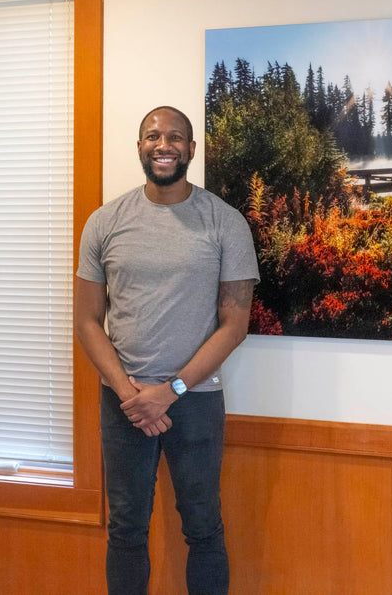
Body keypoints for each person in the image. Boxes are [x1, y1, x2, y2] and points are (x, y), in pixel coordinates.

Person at [74, 105, 259, 595]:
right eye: (153, 136)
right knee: (126, 529)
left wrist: (170, 390)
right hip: (124, 402)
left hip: (195, 400)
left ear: (191, 149)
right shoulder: (104, 222)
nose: (164, 145)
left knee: (203, 528)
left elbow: (235, 325)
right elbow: (87, 321)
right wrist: (131, 394)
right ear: (140, 147)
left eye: (175, 137)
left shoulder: (225, 222)